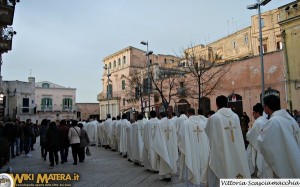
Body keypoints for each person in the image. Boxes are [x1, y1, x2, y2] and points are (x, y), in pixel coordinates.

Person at [205, 95, 250, 187]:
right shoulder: (235, 116)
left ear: (217, 104)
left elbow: (208, 133)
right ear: (227, 103)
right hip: (235, 150)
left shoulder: (214, 118)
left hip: (221, 151)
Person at [258, 95, 300, 178]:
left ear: (267, 107)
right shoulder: (291, 119)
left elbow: (263, 141)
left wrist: (260, 136)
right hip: (295, 158)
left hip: (283, 162)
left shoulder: (273, 121)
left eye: (264, 106)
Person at [178, 108, 209, 186]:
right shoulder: (203, 123)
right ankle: (202, 181)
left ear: (188, 113)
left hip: (190, 149)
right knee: (202, 164)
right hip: (203, 148)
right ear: (194, 113)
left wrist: (183, 148)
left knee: (191, 162)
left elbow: (181, 136)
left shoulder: (185, 123)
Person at [152, 112, 178, 181]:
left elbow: (156, 136)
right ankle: (169, 174)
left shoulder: (159, 123)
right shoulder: (172, 123)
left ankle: (164, 175)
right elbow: (175, 136)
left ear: (160, 116)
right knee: (171, 157)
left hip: (162, 145)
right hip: (171, 144)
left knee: (163, 157)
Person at [246, 103, 269, 178]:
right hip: (266, 148)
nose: (253, 114)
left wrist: (247, 134)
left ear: (257, 113)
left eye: (253, 113)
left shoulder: (258, 122)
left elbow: (251, 136)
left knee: (259, 167)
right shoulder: (266, 120)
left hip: (259, 150)